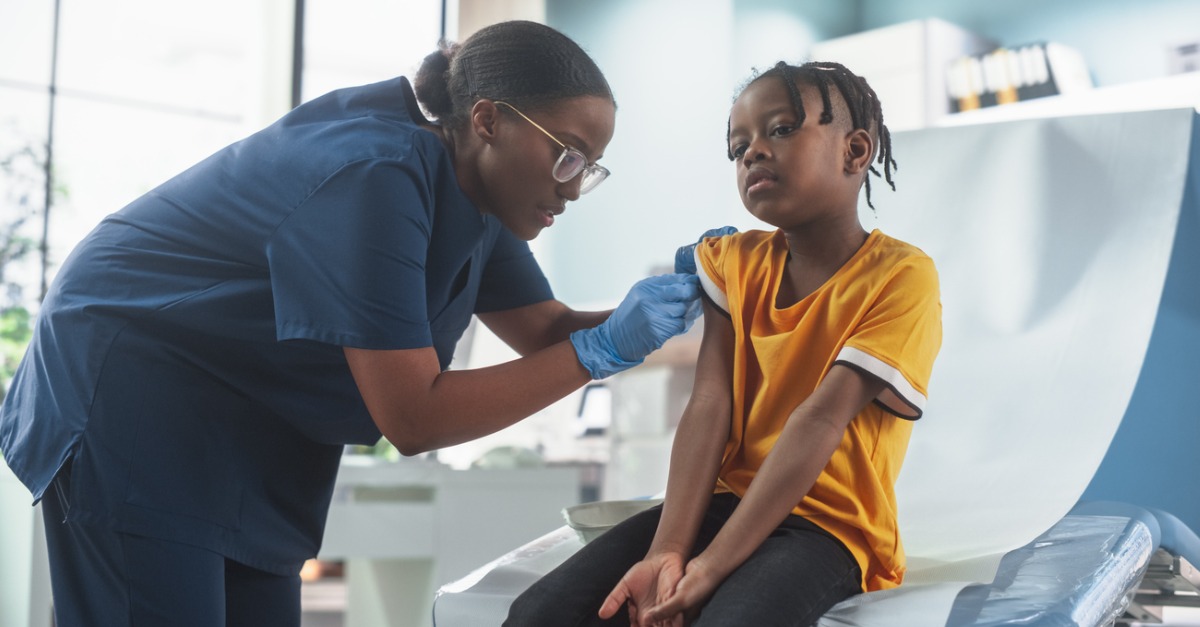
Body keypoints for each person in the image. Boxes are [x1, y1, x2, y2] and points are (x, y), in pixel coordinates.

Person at [0, 20, 718, 627]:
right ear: (487, 119)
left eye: (590, 166)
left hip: (242, 426)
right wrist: (599, 349)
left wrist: (674, 306)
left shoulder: (481, 198)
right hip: (131, 393)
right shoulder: (376, 174)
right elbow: (414, 416)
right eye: (565, 152)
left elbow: (546, 329)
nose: (573, 184)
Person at [504, 60, 943, 627]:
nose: (754, 152)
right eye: (739, 148)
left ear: (855, 152)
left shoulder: (901, 276)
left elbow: (817, 422)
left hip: (827, 526)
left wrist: (710, 567)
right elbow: (710, 405)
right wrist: (667, 550)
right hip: (720, 504)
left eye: (780, 129)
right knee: (541, 613)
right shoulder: (733, 264)